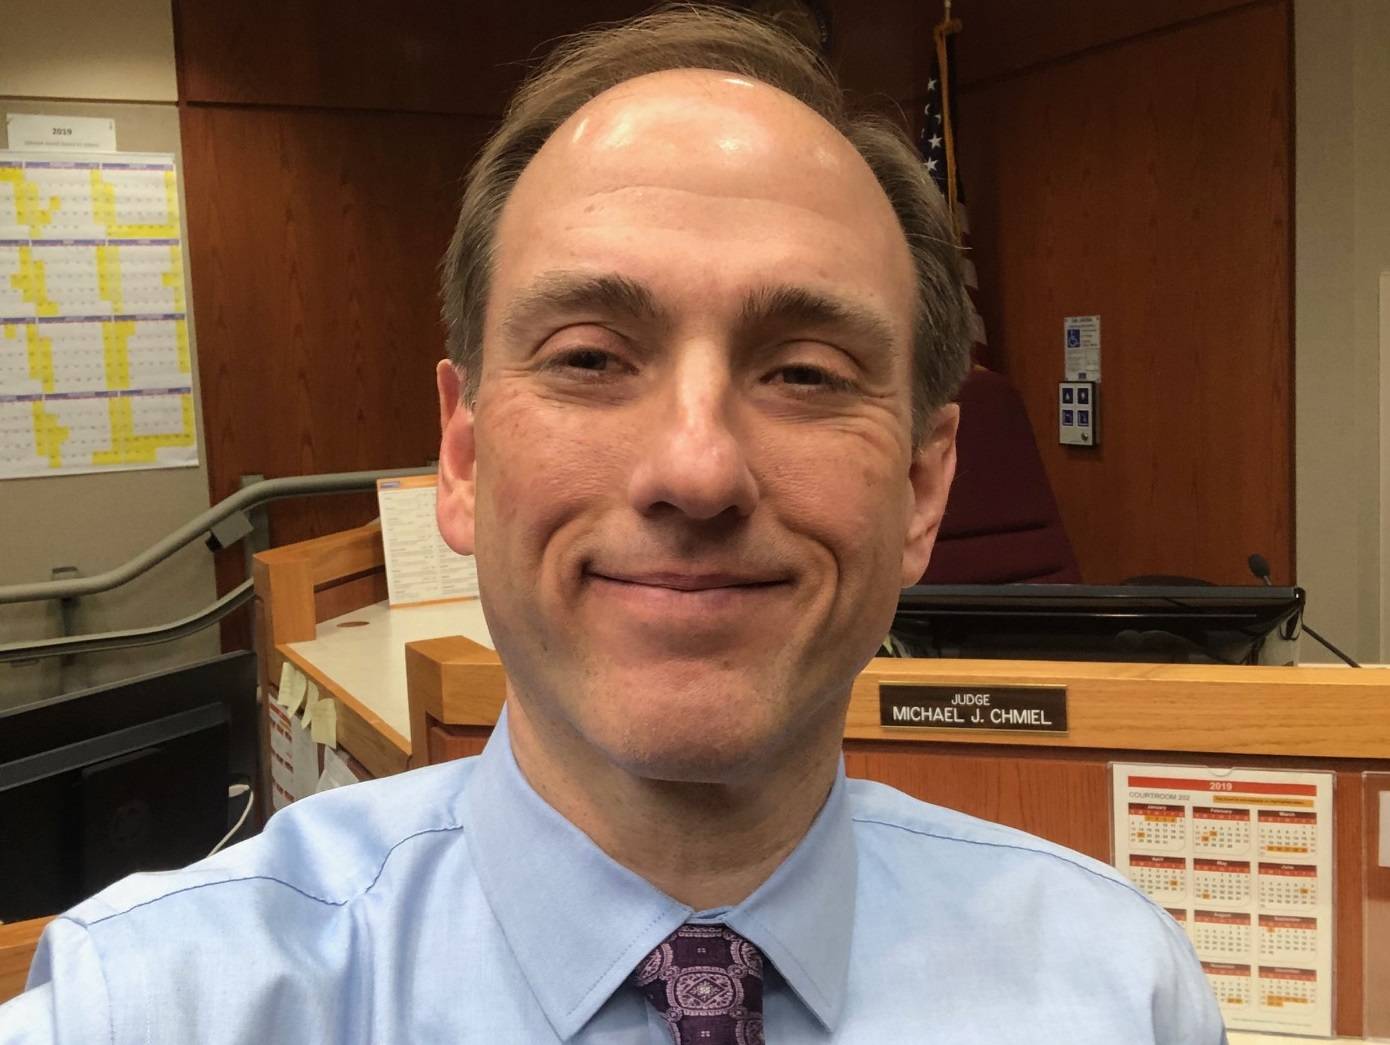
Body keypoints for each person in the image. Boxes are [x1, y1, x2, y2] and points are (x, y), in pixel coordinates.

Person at [1, 7, 1225, 1043]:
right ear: (464, 455)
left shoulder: (1121, 989)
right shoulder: (153, 1004)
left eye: (804, 371)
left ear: (921, 486)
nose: (696, 468)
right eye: (589, 357)